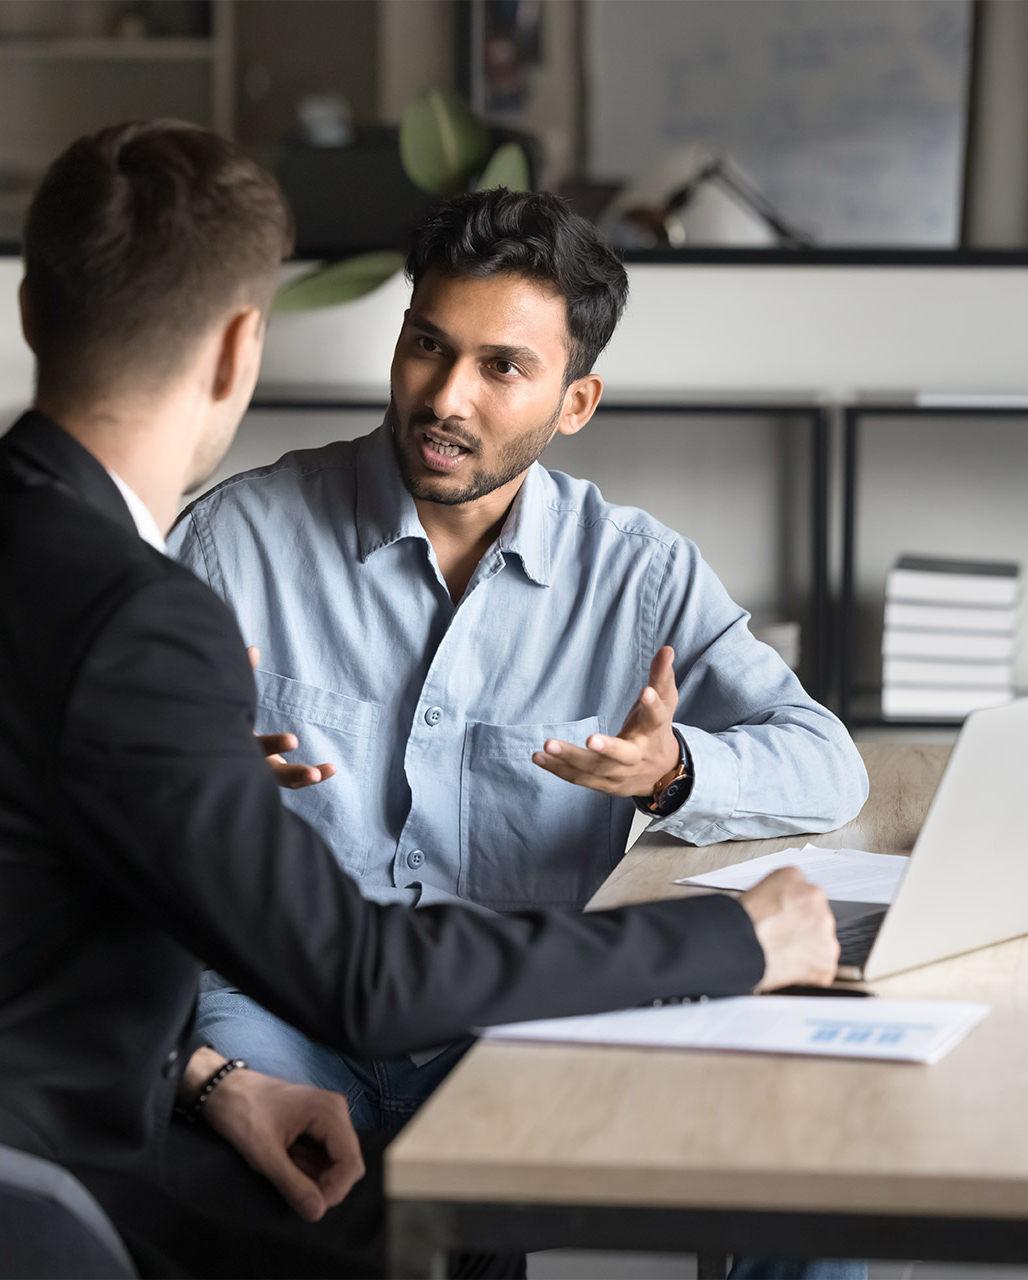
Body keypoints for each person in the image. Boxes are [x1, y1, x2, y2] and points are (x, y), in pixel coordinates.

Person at [0, 122, 837, 1279]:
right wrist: (732, 935)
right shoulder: (140, 605)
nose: (447, 392)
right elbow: (361, 976)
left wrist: (206, 1076)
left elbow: (5, 916)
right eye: (425, 343)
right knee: (415, 1225)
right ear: (237, 352)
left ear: (30, 311)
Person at [168, 187, 870, 1128]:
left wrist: (674, 772)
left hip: (508, 1021)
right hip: (280, 1009)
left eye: (501, 367)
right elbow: (100, 791)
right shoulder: (233, 539)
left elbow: (827, 765)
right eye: (428, 345)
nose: (445, 397)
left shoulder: (639, 576)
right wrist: (187, 770)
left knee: (798, 1128)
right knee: (266, 1215)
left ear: (575, 402)